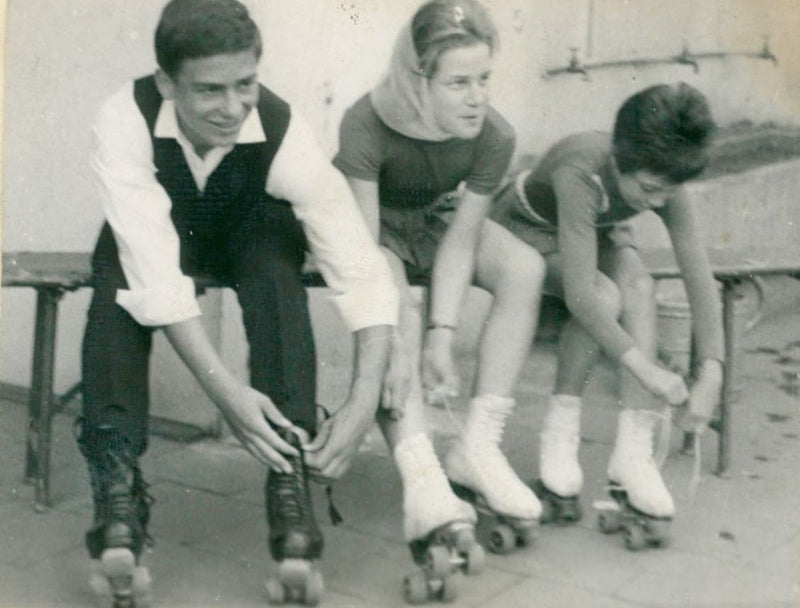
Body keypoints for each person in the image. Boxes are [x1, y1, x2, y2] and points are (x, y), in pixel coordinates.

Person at [78, 0, 398, 603]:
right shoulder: (123, 119)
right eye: (209, 90)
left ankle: (289, 480)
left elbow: (361, 268)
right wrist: (226, 394)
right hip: (161, 238)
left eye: (245, 84)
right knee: (118, 269)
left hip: (247, 232)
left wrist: (359, 407)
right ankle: (116, 490)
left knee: (275, 264)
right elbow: (156, 275)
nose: (232, 108)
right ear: (167, 83)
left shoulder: (285, 132)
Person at [334, 0, 546, 564]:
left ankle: (477, 448)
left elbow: (461, 238)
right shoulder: (365, 122)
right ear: (416, 79)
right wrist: (403, 341)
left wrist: (442, 337)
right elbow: (364, 252)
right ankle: (421, 472)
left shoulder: (492, 134)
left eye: (484, 79)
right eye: (458, 83)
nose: (477, 97)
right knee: (394, 300)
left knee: (526, 266)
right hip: (370, 236)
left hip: (435, 223)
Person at [491, 83, 724, 535]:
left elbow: (698, 273)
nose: (658, 203)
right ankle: (559, 434)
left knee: (637, 282)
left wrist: (711, 370)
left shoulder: (660, 173)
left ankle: (632, 454)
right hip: (528, 227)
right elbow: (580, 293)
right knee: (604, 294)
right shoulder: (581, 167)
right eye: (650, 190)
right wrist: (645, 368)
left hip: (592, 230)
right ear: (618, 158)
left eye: (666, 193)